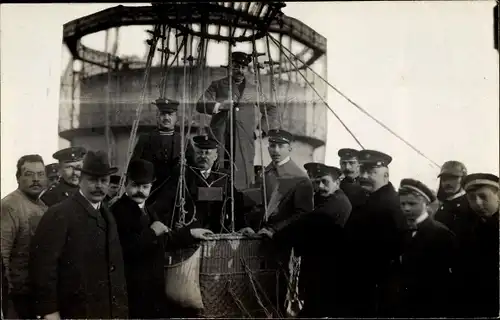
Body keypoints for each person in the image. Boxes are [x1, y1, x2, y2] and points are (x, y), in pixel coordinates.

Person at [30, 150, 128, 319]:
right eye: (92, 180)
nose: (99, 186)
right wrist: (49, 311)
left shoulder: (107, 214)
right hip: (75, 310)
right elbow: (43, 266)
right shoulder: (60, 213)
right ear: (80, 181)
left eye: (104, 180)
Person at [111, 159, 212, 319]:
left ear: (151, 186)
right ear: (126, 183)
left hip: (154, 287)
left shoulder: (148, 210)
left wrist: (191, 233)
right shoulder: (118, 211)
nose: (140, 191)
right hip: (132, 290)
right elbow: (125, 248)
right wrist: (152, 232)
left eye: (145, 187)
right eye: (136, 185)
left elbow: (164, 239)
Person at [273, 164, 352, 317]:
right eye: (317, 182)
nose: (320, 186)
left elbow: (306, 224)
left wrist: (275, 235)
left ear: (337, 183)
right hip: (319, 266)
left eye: (325, 182)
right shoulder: (329, 200)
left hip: (326, 268)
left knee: (315, 310)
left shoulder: (336, 204)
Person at [196, 51, 279, 190]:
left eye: (243, 67)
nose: (240, 70)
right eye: (235, 66)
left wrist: (261, 130)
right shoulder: (217, 85)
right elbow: (200, 104)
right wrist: (220, 106)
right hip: (220, 139)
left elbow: (271, 109)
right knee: (218, 177)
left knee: (242, 180)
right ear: (229, 67)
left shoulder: (253, 90)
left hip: (244, 142)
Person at [341, 149, 407, 317]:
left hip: (377, 289)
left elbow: (396, 251)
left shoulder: (392, 205)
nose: (364, 176)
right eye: (363, 170)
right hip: (359, 284)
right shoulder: (366, 198)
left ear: (386, 176)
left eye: (371, 172)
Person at [395, 178, 456, 317]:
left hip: (430, 305)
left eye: (412, 203)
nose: (406, 208)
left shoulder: (441, 234)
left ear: (425, 203)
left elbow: (445, 280)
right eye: (402, 204)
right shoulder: (404, 231)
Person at [1, 154, 48, 319]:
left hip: (34, 296)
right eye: (29, 174)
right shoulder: (9, 206)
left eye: (40, 174)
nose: (36, 179)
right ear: (18, 178)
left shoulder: (43, 207)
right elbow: (2, 255)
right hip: (16, 298)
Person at [458, 173, 499, 317]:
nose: (478, 203)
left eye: (483, 196)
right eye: (471, 198)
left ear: (498, 195)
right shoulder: (471, 227)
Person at [132, 98, 183, 190]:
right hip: (151, 192)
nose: (166, 118)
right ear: (157, 116)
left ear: (176, 118)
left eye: (170, 114)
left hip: (176, 193)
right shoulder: (145, 139)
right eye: (163, 114)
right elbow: (134, 167)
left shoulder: (183, 140)